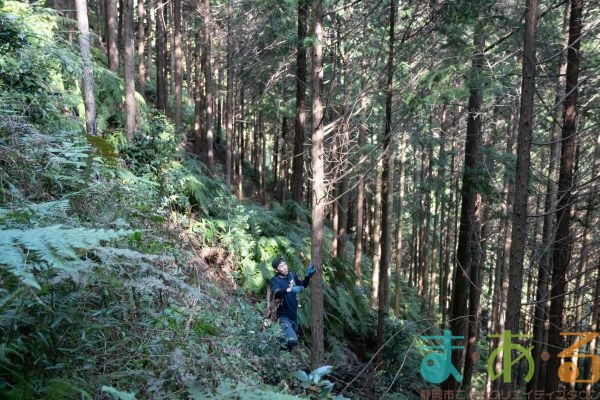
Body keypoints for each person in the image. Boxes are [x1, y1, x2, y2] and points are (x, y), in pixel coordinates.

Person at [270, 256, 315, 350]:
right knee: (292, 340)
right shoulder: (275, 280)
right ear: (276, 270)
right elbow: (277, 293)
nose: (284, 267)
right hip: (282, 316)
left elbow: (303, 285)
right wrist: (290, 289)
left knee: (289, 347)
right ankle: (277, 346)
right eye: (281, 266)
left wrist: (307, 276)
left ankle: (280, 357)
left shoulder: (292, 276)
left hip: (293, 316)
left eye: (285, 264)